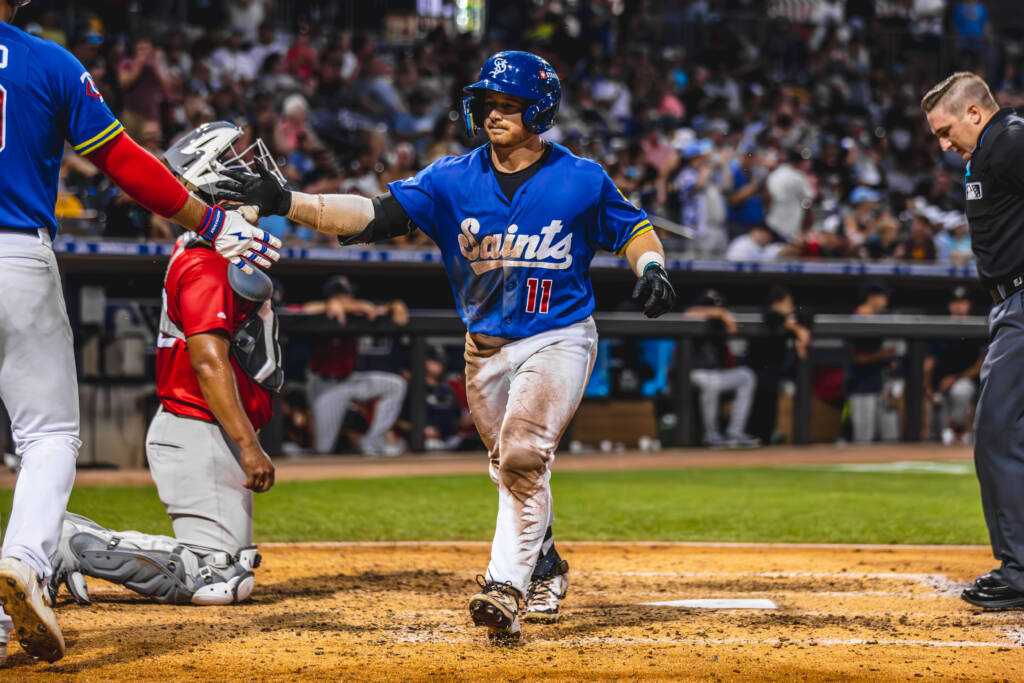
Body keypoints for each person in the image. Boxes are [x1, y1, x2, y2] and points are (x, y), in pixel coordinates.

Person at [217, 50, 676, 643]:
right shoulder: (451, 178)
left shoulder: (581, 178)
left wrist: (651, 266)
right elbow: (373, 215)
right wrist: (288, 202)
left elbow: (634, 228)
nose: (494, 114)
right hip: (483, 350)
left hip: (558, 336)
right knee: (510, 467)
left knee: (523, 455)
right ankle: (546, 565)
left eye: (508, 105)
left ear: (540, 110)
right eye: (488, 103)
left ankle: (504, 589)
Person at [0, 1, 280, 664]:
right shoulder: (48, 62)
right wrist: (213, 221)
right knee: (48, 435)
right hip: (15, 254)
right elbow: (123, 162)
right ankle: (26, 559)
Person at [47, 231, 280, 609]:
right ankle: (70, 541)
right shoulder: (207, 265)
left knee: (231, 566)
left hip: (205, 428)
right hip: (197, 426)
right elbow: (207, 362)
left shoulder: (205, 254)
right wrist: (249, 445)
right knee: (216, 576)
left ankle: (70, 538)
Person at [922, 71, 1024, 609]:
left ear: (975, 113)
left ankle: (1020, 572)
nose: (943, 144)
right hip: (1009, 303)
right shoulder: (992, 147)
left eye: (945, 131)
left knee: (997, 434)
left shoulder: (1008, 140)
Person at [303, 275, 409, 456]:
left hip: (350, 380)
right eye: (345, 295)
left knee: (395, 385)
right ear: (334, 297)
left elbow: (379, 309)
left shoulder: (356, 313)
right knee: (323, 449)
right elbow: (302, 310)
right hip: (325, 386)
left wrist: (395, 305)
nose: (351, 298)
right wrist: (330, 305)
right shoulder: (322, 311)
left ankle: (373, 440)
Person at [683, 289, 760, 448]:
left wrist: (724, 319)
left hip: (715, 373)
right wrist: (720, 314)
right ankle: (711, 435)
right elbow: (688, 313)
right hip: (693, 372)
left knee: (747, 376)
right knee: (712, 382)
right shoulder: (700, 316)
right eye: (711, 306)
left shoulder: (721, 324)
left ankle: (735, 433)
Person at [746, 286, 812, 444]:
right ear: (777, 303)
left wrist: (796, 333)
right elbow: (773, 318)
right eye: (788, 303)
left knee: (769, 413)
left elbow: (805, 332)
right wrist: (794, 328)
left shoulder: (790, 319)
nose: (791, 308)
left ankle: (764, 440)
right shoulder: (767, 315)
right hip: (757, 373)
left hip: (773, 374)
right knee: (758, 411)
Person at [924, 286, 985, 445]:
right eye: (955, 302)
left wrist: (956, 378)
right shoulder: (940, 327)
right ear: (949, 305)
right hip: (939, 387)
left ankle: (960, 429)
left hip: (965, 382)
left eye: (963, 302)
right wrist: (928, 389)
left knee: (961, 390)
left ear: (969, 305)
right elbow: (928, 364)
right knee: (935, 429)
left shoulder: (978, 325)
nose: (959, 307)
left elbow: (982, 363)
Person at [847, 281, 901, 443]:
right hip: (861, 384)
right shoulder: (855, 319)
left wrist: (888, 360)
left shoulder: (881, 319)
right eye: (883, 297)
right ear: (871, 297)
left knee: (890, 436)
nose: (886, 301)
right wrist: (882, 355)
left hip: (881, 383)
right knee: (863, 438)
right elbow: (855, 358)